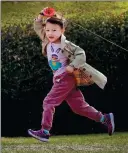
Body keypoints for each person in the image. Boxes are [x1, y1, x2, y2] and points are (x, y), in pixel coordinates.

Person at [28, 7, 115, 142]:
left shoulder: (66, 44)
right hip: (58, 78)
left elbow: (81, 54)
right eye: (48, 30)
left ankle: (44, 131)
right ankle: (105, 118)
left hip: (66, 78)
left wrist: (72, 66)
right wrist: (41, 15)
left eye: (54, 30)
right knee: (78, 107)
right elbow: (37, 26)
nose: (50, 33)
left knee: (48, 102)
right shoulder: (47, 40)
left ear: (62, 31)